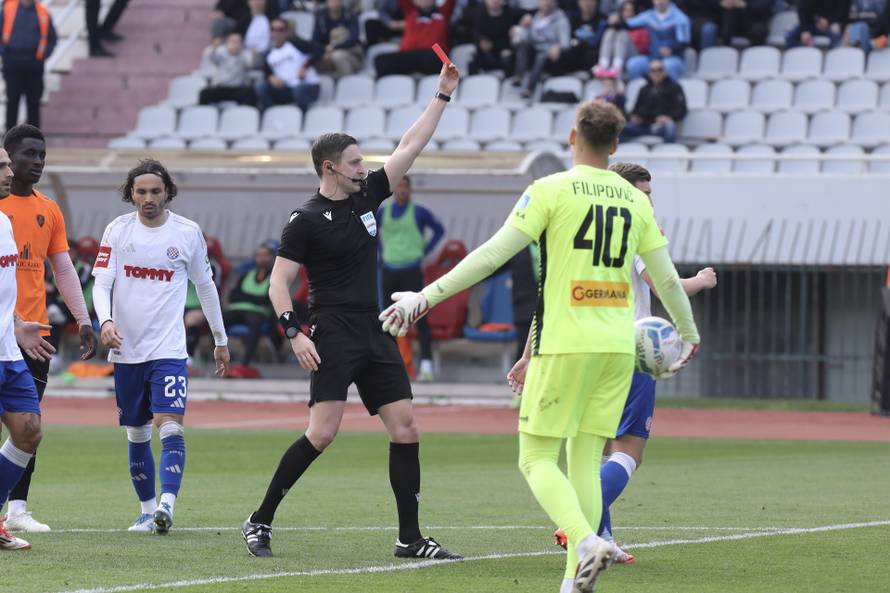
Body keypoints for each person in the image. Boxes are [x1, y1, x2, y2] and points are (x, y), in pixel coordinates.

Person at [378, 100, 700, 593]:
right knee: (586, 458)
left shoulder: (550, 189)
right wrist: (689, 334)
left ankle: (585, 540)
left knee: (535, 459)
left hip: (565, 343)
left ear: (573, 137)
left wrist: (425, 296)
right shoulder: (637, 201)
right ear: (615, 145)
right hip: (618, 349)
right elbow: (667, 280)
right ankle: (574, 582)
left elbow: (490, 255)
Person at [241, 63, 462, 561]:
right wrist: (295, 333)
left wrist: (442, 95)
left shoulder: (368, 196)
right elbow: (280, 282)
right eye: (356, 162)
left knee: (406, 428)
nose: (365, 168)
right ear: (329, 167)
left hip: (375, 326)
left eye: (364, 161)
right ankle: (259, 520)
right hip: (332, 330)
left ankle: (409, 539)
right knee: (321, 434)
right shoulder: (304, 220)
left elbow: (410, 146)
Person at [536, 161, 716, 563]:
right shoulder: (631, 226)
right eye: (644, 193)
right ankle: (577, 524)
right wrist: (701, 281)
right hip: (628, 350)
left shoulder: (581, 230)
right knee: (629, 451)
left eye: (651, 195)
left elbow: (552, 294)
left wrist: (530, 352)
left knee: (594, 449)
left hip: (583, 349)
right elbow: (665, 286)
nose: (648, 201)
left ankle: (603, 538)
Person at [92, 159, 230, 534]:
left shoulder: (187, 233)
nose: (148, 198)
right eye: (141, 192)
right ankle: (146, 510)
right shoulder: (117, 231)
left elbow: (206, 287)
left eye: (155, 191)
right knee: (136, 432)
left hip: (168, 349)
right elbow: (101, 283)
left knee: (170, 425)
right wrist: (104, 321)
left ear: (168, 191)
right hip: (126, 350)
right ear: (131, 194)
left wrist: (220, 339)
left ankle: (167, 504)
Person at [0, 124, 97, 533]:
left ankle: (17, 509)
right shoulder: (1, 211)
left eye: (42, 155)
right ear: (7, 159)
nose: (37, 162)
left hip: (32, 336)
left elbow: (62, 269)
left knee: (29, 423)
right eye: (27, 155)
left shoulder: (48, 209)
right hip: (8, 330)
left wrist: (84, 318)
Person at [0, 145, 56, 551]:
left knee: (29, 432)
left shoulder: (4, 221)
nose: (8, 172)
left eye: (7, 163)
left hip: (8, 348)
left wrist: (18, 325)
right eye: (1, 165)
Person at [377, 175, 445, 382]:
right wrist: (381, 251)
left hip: (412, 270)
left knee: (420, 317)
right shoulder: (383, 211)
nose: (402, 190)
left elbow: (439, 230)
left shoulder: (419, 211)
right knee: (388, 318)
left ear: (410, 189)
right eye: (398, 186)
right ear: (393, 189)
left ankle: (425, 366)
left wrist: (425, 250)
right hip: (388, 269)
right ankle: (390, 366)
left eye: (405, 186)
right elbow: (369, 232)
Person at [0, 0, 57, 131]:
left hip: (34, 65)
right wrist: (5, 54)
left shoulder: (43, 12)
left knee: (33, 104)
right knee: (12, 101)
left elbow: (52, 39)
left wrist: (43, 56)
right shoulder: (8, 9)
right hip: (13, 63)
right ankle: (10, 138)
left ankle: (34, 138)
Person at [224, 239, 279, 372]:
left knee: (255, 326)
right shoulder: (246, 275)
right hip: (237, 310)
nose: (261, 258)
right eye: (258, 255)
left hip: (258, 313)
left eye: (265, 255)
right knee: (216, 321)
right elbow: (232, 296)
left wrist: (244, 296)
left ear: (272, 257)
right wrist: (255, 298)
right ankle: (221, 360)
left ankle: (245, 364)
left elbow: (267, 300)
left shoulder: (275, 277)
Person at [373, 0, 456, 78]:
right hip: (409, 53)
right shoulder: (410, 12)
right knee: (380, 60)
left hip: (434, 53)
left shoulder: (444, 12)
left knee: (436, 58)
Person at [255, 18, 320, 113]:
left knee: (299, 90)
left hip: (308, 86)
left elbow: (319, 50)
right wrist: (270, 77)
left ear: (286, 32)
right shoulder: (269, 54)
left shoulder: (297, 44)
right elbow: (266, 71)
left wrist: (305, 67)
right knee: (260, 86)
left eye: (281, 29)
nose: (277, 33)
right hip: (287, 89)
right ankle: (272, 115)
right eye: (273, 29)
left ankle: (303, 120)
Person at [510, 0, 571, 98]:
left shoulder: (561, 19)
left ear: (555, 3)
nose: (546, 3)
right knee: (523, 45)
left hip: (550, 56)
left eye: (550, 1)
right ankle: (518, 76)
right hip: (533, 51)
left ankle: (529, 89)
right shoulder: (534, 17)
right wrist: (523, 28)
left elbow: (565, 43)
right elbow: (527, 38)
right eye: (544, 1)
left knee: (541, 56)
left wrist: (558, 46)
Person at [619, 59, 686, 143]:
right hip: (643, 125)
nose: (657, 73)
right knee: (619, 128)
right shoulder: (643, 89)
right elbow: (636, 109)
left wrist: (669, 118)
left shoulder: (674, 87)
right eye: (653, 70)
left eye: (660, 69)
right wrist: (634, 117)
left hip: (661, 126)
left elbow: (682, 109)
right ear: (649, 73)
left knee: (670, 126)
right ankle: (625, 154)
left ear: (665, 71)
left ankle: (668, 153)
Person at [624, 0, 691, 80]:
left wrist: (672, 49)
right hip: (652, 57)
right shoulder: (648, 16)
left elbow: (684, 42)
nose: (660, 1)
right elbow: (628, 24)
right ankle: (639, 91)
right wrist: (616, 20)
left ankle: (669, 91)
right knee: (633, 64)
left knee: (668, 66)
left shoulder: (680, 18)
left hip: (673, 58)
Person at [198, 32, 258, 106]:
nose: (235, 44)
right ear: (227, 43)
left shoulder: (244, 55)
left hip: (237, 89)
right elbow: (212, 58)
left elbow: (250, 65)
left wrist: (254, 55)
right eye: (233, 42)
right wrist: (214, 47)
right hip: (221, 88)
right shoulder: (221, 52)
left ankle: (248, 115)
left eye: (238, 42)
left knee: (250, 92)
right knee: (204, 93)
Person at [593, 1, 648, 79]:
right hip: (615, 55)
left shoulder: (640, 26)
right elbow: (597, 41)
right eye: (625, 10)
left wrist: (628, 42)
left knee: (623, 34)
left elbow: (643, 48)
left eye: (630, 10)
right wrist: (610, 24)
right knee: (609, 32)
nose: (628, 13)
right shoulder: (616, 26)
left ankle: (617, 67)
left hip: (633, 56)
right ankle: (603, 64)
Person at [466, 0, 521, 75]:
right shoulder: (479, 14)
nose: (495, 1)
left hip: (505, 54)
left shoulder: (511, 12)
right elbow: (475, 33)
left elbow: (526, 13)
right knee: (472, 63)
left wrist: (526, 18)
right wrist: (481, 41)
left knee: (508, 57)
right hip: (486, 55)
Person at [312, 0, 364, 77]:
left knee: (337, 55)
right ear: (327, 2)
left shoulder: (350, 14)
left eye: (337, 1)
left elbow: (354, 39)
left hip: (352, 54)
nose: (335, 3)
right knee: (312, 60)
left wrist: (334, 48)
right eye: (332, 1)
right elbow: (315, 40)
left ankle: (348, 83)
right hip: (328, 53)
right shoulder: (321, 16)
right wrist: (324, 50)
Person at [562, 0, 607, 73]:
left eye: (591, 1)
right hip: (574, 57)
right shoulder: (572, 19)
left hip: (594, 57)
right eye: (584, 1)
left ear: (596, 2)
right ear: (579, 2)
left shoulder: (603, 20)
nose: (587, 4)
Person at [785, 0, 851, 49]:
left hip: (832, 24)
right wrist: (805, 30)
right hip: (812, 24)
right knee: (790, 36)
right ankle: (795, 60)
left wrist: (830, 22)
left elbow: (843, 14)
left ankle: (833, 62)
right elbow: (802, 10)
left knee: (836, 33)